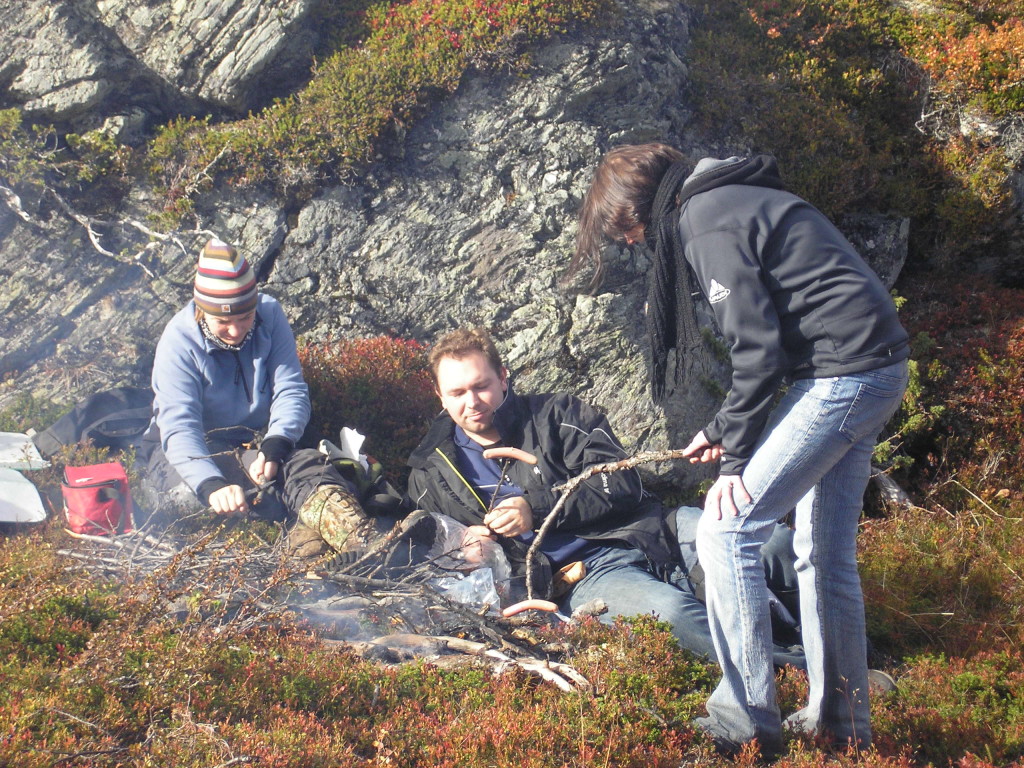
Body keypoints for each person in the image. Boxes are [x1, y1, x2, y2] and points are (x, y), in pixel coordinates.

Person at [570, 144, 909, 757]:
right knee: (821, 552)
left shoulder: (703, 218)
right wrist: (726, 429)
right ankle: (841, 726)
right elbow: (776, 341)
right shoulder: (729, 197)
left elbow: (756, 351)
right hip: (871, 367)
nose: (629, 243)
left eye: (625, 229)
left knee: (726, 531)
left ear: (637, 208)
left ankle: (744, 723)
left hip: (841, 376)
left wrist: (734, 466)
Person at [406, 327, 806, 668]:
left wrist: (536, 508)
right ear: (439, 395)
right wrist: (468, 549)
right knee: (673, 617)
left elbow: (623, 482)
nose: (472, 402)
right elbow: (434, 555)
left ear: (504, 377)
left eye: (481, 386)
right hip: (578, 575)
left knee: (774, 544)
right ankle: (800, 673)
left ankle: (839, 641)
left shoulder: (558, 413)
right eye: (457, 392)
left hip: (649, 528)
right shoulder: (429, 473)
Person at [140, 237, 373, 560]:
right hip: (190, 451)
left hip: (254, 442)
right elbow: (179, 427)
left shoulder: (269, 313)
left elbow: (290, 389)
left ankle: (366, 546)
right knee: (193, 494)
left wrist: (277, 442)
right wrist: (211, 485)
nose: (236, 331)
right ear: (201, 312)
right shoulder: (178, 341)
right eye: (223, 321)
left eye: (244, 318)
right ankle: (299, 546)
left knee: (305, 468)